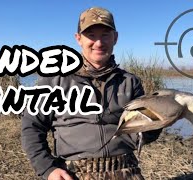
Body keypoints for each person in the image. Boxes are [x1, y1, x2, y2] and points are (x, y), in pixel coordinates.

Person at [21, 7, 162, 180]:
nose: (99, 43)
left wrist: (156, 124)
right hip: (73, 172)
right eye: (91, 35)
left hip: (125, 169)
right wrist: (48, 169)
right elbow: (32, 127)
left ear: (115, 38)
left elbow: (141, 135)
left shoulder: (130, 82)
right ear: (78, 39)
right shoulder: (54, 81)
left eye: (105, 34)